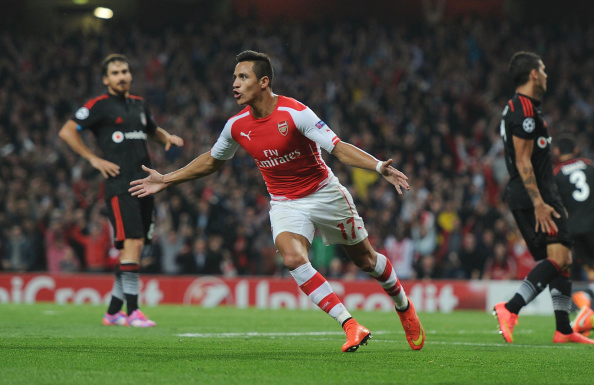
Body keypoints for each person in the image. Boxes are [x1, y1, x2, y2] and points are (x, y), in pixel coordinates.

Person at [129, 50, 425, 352]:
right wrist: (166, 179)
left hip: (324, 193)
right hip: (285, 202)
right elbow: (211, 161)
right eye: (234, 77)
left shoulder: (295, 113)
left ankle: (403, 306)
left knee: (366, 261)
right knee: (293, 258)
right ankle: (350, 325)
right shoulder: (236, 126)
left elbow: (338, 148)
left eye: (243, 77)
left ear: (263, 82)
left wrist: (377, 166)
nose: (235, 83)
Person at [59, 54, 184, 327]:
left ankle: (113, 311)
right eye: (115, 72)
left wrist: (166, 137)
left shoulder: (139, 104)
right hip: (120, 185)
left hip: (146, 185)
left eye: (125, 71)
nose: (122, 76)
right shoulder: (99, 106)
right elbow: (67, 131)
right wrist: (93, 159)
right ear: (106, 79)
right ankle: (133, 311)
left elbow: (151, 129)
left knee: (135, 249)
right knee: (133, 244)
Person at [493, 51, 593, 343]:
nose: (547, 75)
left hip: (536, 191)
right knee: (560, 256)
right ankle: (510, 308)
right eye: (544, 70)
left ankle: (563, 329)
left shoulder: (524, 108)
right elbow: (523, 161)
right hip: (534, 193)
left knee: (562, 259)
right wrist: (539, 202)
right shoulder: (523, 109)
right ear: (534, 74)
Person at [553, 133, 594, 336]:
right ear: (576, 150)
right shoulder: (588, 164)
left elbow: (556, 205)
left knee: (591, 271)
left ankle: (587, 313)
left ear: (557, 152)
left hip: (575, 228)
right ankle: (585, 297)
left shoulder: (557, 173)